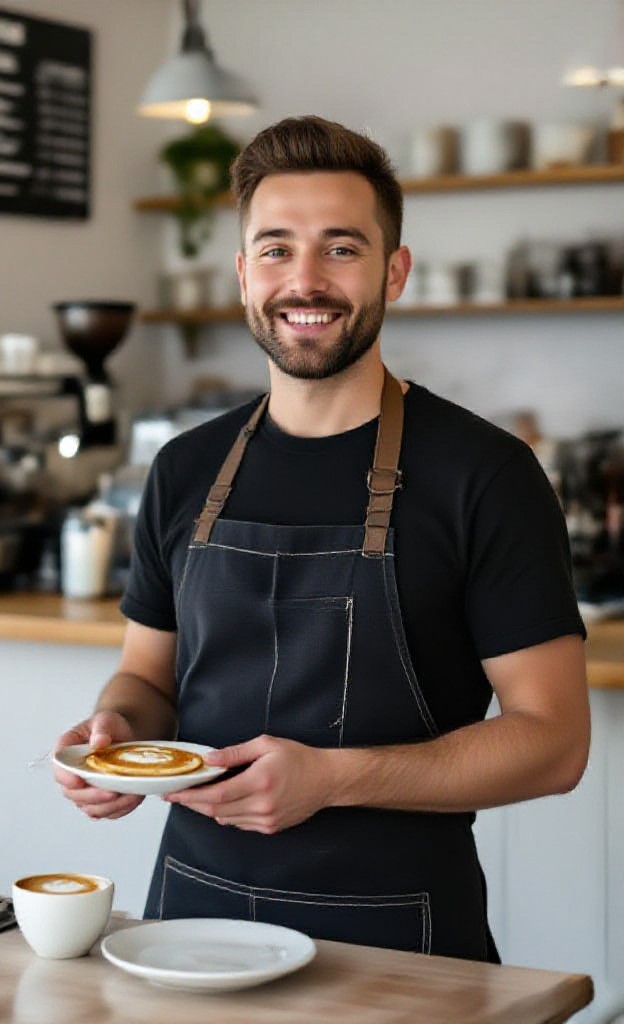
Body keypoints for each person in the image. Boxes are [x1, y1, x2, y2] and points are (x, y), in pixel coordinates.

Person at [53, 115, 590, 962]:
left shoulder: (485, 473)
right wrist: (115, 732)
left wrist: (336, 779)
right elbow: (148, 676)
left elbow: (554, 742)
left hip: (400, 943)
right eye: (275, 249)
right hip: (189, 923)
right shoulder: (185, 468)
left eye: (341, 249)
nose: (304, 281)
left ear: (395, 271)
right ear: (241, 275)